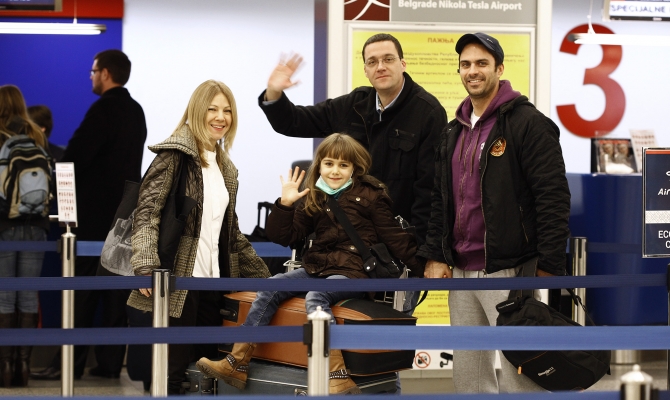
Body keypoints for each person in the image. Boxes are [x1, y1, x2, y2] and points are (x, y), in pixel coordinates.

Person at [195, 133, 419, 395]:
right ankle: (237, 362)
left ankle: (337, 375)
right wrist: (285, 204)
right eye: (329, 163)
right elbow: (285, 236)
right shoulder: (315, 195)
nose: (335, 171)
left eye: (343, 165)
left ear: (354, 168)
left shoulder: (371, 195)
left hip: (355, 272)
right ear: (319, 165)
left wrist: (425, 269)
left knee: (316, 296)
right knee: (272, 286)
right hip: (318, 267)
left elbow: (395, 238)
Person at [416, 33, 571, 393]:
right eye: (466, 64)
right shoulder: (454, 131)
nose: (473, 71)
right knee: (469, 376)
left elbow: (553, 197)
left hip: (509, 270)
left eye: (482, 63)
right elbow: (442, 200)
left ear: (499, 69)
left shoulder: (528, 123)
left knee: (522, 374)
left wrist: (548, 266)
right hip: (461, 272)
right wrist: (436, 255)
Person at [126, 79, 271, 395]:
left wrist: (268, 282)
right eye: (212, 109)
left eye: (227, 111)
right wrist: (145, 264)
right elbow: (146, 213)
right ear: (196, 111)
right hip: (178, 283)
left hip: (214, 285)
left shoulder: (225, 167)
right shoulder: (173, 156)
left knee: (205, 376)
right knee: (173, 375)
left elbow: (231, 234)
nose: (221, 117)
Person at [258, 33, 446, 254]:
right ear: (365, 70)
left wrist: (425, 253)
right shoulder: (354, 104)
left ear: (402, 64)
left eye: (388, 59)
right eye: (372, 62)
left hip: (397, 242)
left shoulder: (428, 112)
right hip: (347, 241)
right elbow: (294, 122)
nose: (380, 67)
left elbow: (430, 191)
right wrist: (274, 92)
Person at [31, 49, 147, 381]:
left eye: (93, 71)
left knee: (80, 293)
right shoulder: (136, 111)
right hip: (124, 217)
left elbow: (76, 156)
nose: (92, 77)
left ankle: (69, 364)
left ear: (106, 73)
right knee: (115, 294)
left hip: (92, 219)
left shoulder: (103, 108)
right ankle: (109, 364)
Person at [0, 85, 50, 388]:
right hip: (36, 225)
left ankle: (5, 368)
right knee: (29, 294)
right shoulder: (35, 134)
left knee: (5, 295)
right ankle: (23, 366)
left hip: (3, 224)